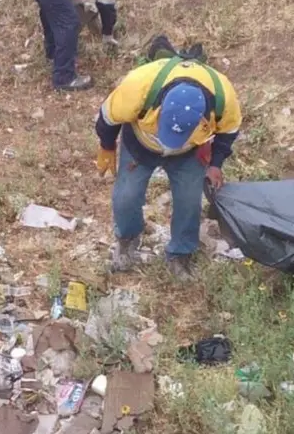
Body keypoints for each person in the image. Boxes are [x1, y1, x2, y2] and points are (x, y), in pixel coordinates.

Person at [94, 55, 242, 280]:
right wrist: (107, 146)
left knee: (189, 201)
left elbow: (229, 132)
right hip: (140, 145)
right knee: (126, 196)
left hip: (189, 153)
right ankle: (127, 239)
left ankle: (180, 254)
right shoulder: (138, 86)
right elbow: (107, 118)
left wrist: (215, 164)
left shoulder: (224, 97)